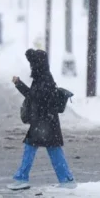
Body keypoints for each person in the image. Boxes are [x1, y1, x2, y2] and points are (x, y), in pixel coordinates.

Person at [8, 49, 76, 190]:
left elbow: (34, 97)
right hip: (45, 121)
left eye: (33, 64)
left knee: (43, 149)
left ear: (37, 65)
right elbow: (34, 96)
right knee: (48, 150)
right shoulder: (42, 77)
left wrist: (18, 83)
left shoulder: (44, 79)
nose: (31, 67)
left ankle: (23, 178)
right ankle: (66, 179)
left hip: (45, 122)